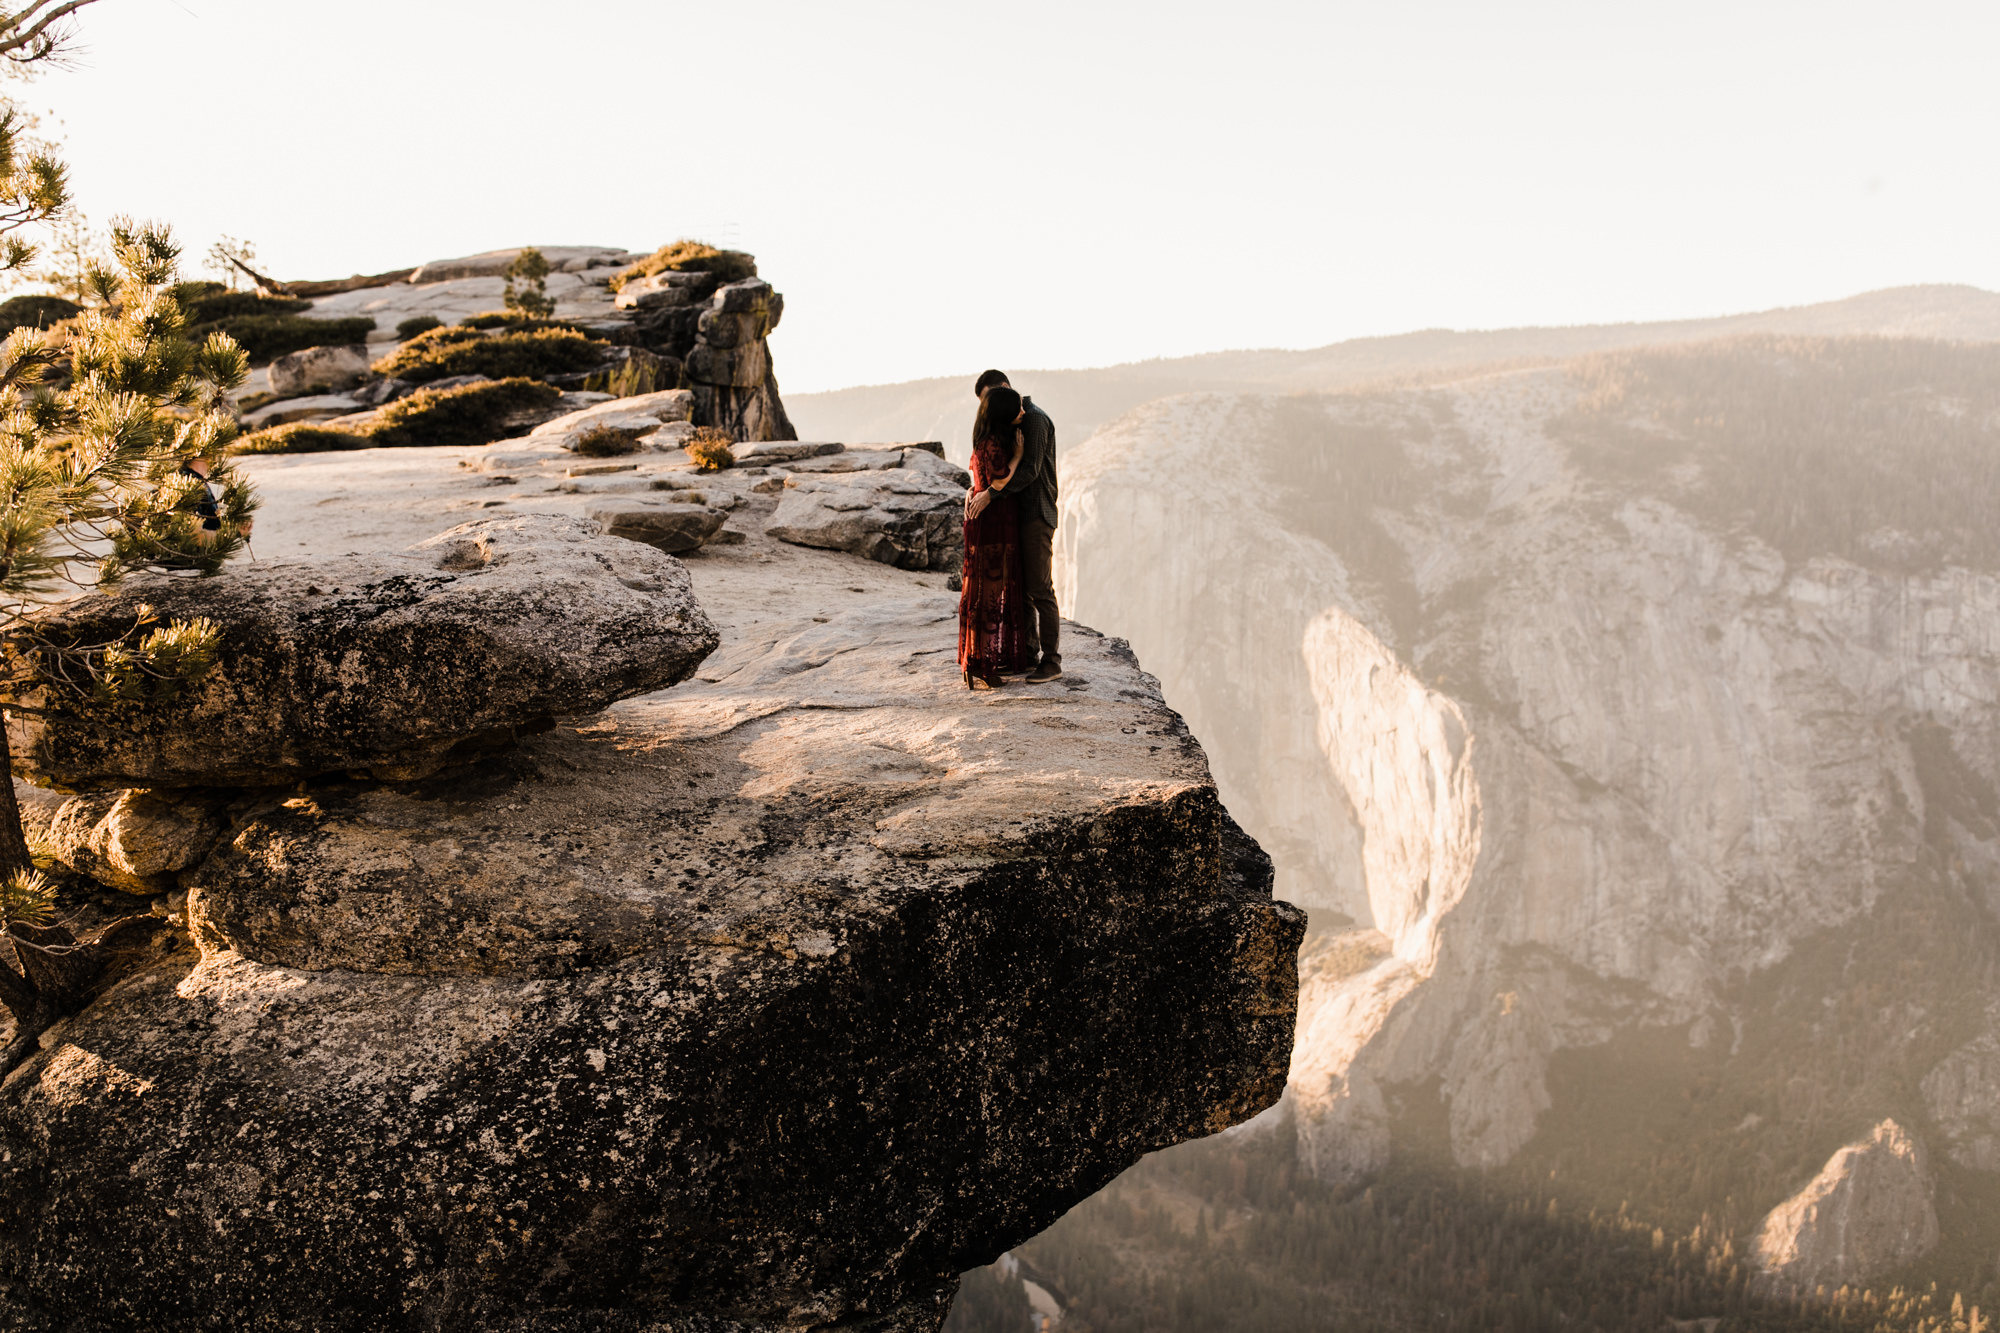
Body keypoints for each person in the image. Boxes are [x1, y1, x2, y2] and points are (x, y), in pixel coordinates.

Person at [967, 369, 1060, 681]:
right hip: (1012, 517)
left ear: (1004, 389)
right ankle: (1027, 655)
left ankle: (1051, 662)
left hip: (1035, 514)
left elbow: (1030, 470)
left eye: (991, 398)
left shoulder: (1033, 420)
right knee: (1019, 591)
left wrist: (990, 494)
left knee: (1039, 590)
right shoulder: (1005, 425)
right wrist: (978, 491)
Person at [958, 385, 1034, 688]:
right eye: (1017, 408)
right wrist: (1018, 455)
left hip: (986, 520)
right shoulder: (996, 445)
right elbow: (1000, 480)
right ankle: (982, 663)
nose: (1023, 413)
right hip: (995, 522)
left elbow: (979, 478)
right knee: (990, 592)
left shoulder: (983, 439)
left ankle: (974, 659)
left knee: (980, 590)